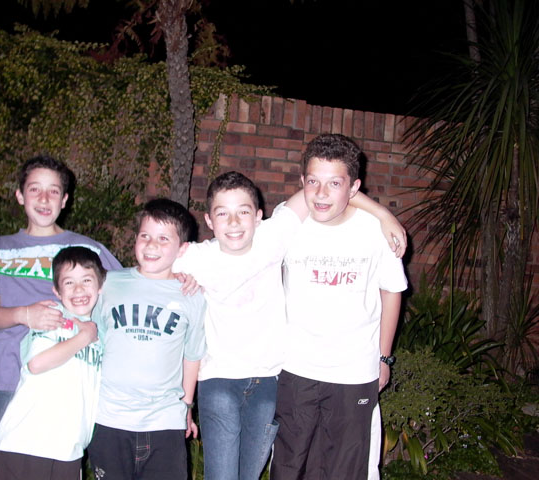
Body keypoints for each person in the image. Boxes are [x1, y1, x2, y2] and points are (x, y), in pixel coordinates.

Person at [172, 171, 406, 480]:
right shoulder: (197, 257)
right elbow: (152, 270)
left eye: (243, 212)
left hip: (268, 381)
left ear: (259, 216)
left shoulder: (273, 236)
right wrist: (177, 274)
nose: (234, 222)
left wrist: (383, 214)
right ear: (209, 220)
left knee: (251, 474)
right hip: (219, 380)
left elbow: (321, 188)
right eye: (223, 213)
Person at [0, 155, 122, 480]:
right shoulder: (0, 248)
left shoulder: (86, 248)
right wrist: (25, 315)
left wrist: (179, 274)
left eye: (53, 191)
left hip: (57, 384)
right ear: (20, 195)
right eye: (35, 189)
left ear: (65, 200)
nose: (44, 199)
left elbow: (128, 289)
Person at [270, 134, 408, 480]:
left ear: (354, 187)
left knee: (349, 469)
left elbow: (392, 291)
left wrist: (384, 357)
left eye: (335, 183)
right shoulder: (289, 224)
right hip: (295, 367)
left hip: (354, 371)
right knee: (289, 466)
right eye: (313, 181)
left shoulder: (376, 232)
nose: (321, 193)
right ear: (302, 182)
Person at [88, 198, 206, 480]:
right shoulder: (109, 284)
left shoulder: (191, 295)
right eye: (145, 236)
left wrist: (186, 406)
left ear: (182, 249)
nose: (152, 245)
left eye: (164, 239)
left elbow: (192, 355)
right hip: (109, 417)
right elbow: (93, 340)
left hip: (164, 420)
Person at [0, 246, 107, 480]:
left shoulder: (100, 333)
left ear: (100, 285)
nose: (78, 289)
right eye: (69, 282)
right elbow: (37, 363)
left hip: (68, 450)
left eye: (87, 280)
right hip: (24, 445)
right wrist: (84, 337)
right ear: (57, 291)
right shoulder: (53, 317)